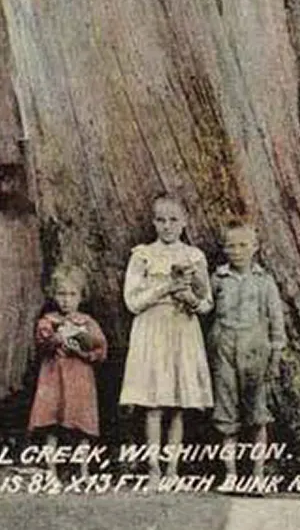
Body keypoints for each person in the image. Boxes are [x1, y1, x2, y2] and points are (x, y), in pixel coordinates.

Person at [119, 194, 213, 487]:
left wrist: (191, 299)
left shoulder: (194, 257)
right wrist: (163, 289)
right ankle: (153, 469)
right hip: (152, 329)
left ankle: (173, 468)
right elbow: (132, 301)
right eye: (161, 220)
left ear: (184, 222)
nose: (167, 226)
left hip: (182, 329)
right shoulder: (143, 255)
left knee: (178, 402)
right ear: (153, 222)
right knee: (154, 403)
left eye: (174, 220)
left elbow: (207, 301)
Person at [207, 223, 285, 479]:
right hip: (224, 349)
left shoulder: (264, 282)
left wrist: (274, 357)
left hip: (255, 351)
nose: (237, 251)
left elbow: (276, 322)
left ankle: (258, 475)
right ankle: (230, 474)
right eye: (231, 245)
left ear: (255, 248)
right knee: (226, 411)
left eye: (243, 245)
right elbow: (207, 312)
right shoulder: (218, 279)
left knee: (257, 413)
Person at [27, 266, 107, 477]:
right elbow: (43, 344)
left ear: (81, 296)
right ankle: (51, 471)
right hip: (53, 378)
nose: (66, 300)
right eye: (61, 294)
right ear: (53, 295)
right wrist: (57, 338)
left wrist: (82, 348)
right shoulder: (48, 322)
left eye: (72, 294)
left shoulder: (87, 322)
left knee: (81, 425)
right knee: (51, 423)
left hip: (80, 379)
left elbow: (100, 349)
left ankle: (83, 471)